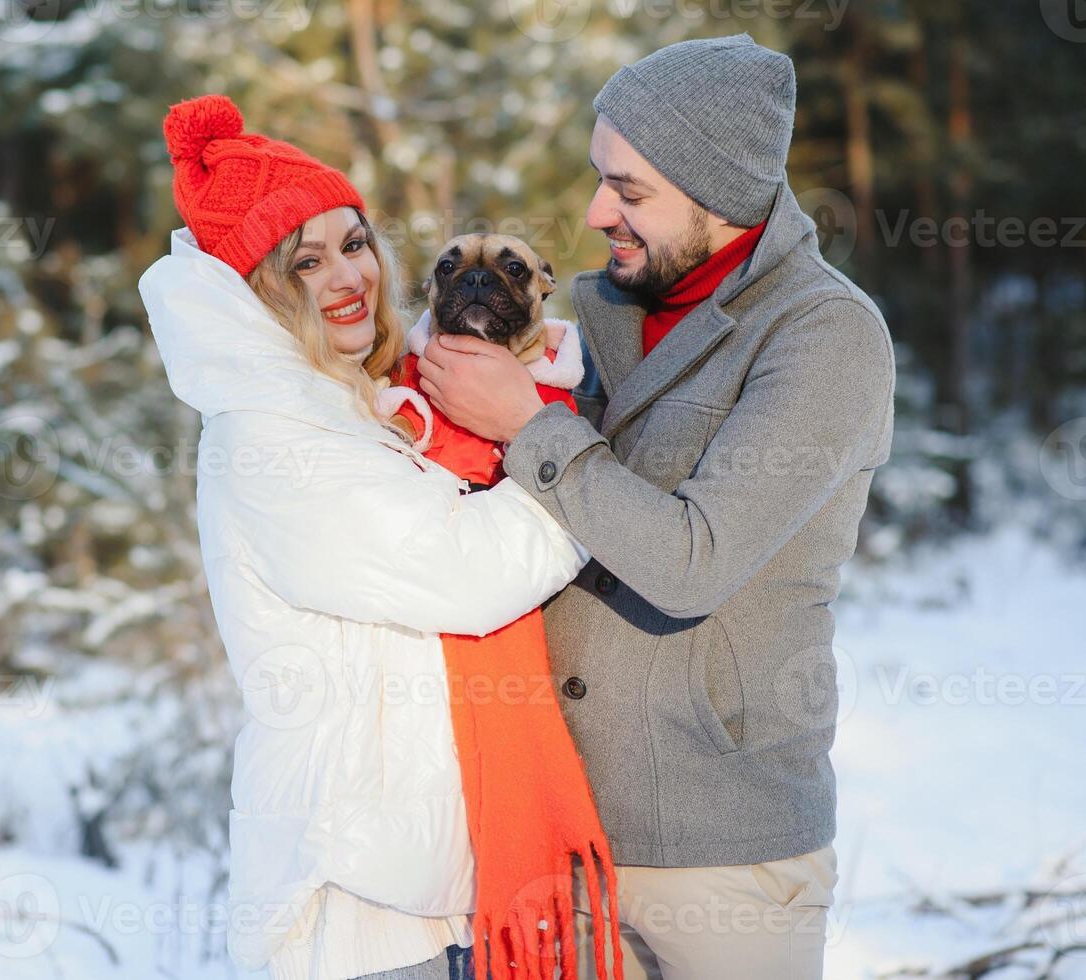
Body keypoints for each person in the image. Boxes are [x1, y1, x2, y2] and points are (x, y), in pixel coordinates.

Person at [416, 34, 896, 980]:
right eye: (601, 180)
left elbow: (695, 559)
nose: (596, 212)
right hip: (555, 838)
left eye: (629, 191)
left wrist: (529, 428)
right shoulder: (585, 319)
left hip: (725, 852)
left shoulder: (824, 335)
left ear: (715, 191)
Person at [138, 94, 588, 980]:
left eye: (355, 243)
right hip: (357, 902)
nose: (350, 277)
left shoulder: (358, 399)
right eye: (307, 262)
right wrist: (569, 454)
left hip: (433, 879)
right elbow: (470, 570)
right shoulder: (274, 437)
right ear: (259, 288)